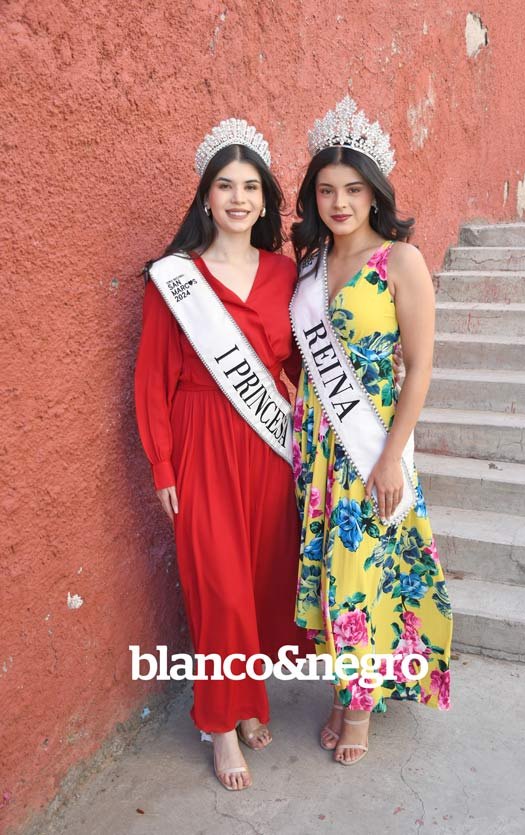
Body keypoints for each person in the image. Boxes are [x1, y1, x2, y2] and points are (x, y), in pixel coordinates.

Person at [134, 119, 311, 791]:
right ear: (205, 197)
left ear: (265, 201)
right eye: (225, 186)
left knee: (260, 582)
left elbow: (296, 362)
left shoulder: (285, 273)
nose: (238, 198)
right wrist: (162, 464)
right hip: (200, 440)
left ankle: (247, 698)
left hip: (266, 449)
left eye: (250, 187)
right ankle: (220, 725)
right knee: (220, 589)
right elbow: (151, 377)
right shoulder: (174, 278)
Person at [290, 97, 453, 766]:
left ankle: (358, 707)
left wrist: (389, 457)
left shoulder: (400, 261)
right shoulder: (310, 266)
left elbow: (419, 367)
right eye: (326, 189)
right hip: (316, 449)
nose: (339, 202)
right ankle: (342, 691)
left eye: (353, 189)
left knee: (364, 570)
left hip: (369, 443)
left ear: (374, 192)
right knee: (331, 571)